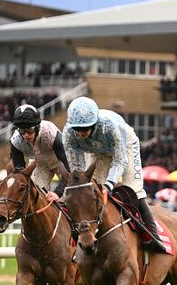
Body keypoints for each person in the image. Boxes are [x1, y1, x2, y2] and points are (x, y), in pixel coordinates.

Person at [62, 96, 165, 251]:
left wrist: (109, 185)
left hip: (125, 146)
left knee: (135, 191)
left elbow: (120, 161)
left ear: (95, 122)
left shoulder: (109, 127)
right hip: (97, 151)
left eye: (85, 128)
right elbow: (78, 170)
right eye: (77, 129)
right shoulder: (68, 134)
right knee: (88, 193)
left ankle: (153, 236)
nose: (81, 133)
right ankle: (82, 237)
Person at [9, 104, 70, 201]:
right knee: (34, 197)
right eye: (22, 130)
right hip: (41, 165)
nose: (26, 135)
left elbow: (68, 167)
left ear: (37, 126)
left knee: (70, 195)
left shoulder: (50, 132)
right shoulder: (15, 141)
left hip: (62, 164)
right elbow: (20, 174)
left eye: (29, 129)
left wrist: (58, 192)